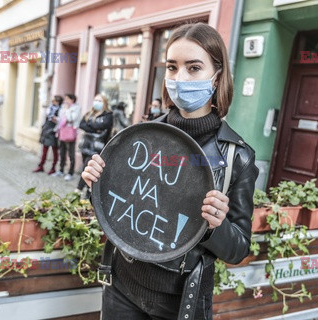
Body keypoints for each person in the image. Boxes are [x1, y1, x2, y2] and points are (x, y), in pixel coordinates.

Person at [82, 23, 259, 320]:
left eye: (193, 68)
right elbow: (118, 209)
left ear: (216, 77)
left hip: (178, 304)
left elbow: (238, 249)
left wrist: (216, 225)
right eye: (172, 67)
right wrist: (96, 184)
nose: (180, 78)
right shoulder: (141, 135)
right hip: (122, 287)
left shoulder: (237, 157)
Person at [75, 93, 113, 196]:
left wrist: (90, 125)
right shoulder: (89, 113)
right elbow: (82, 124)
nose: (97, 102)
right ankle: (88, 192)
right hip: (85, 145)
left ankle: (78, 191)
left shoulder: (108, 115)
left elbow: (104, 125)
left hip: (97, 147)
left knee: (88, 168)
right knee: (86, 166)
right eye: (96, 100)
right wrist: (95, 127)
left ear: (104, 103)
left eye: (100, 101)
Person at [51, 93, 81, 181]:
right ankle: (61, 170)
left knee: (71, 154)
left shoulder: (76, 108)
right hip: (62, 132)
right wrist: (55, 119)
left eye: (67, 99)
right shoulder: (64, 107)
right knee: (62, 152)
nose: (66, 101)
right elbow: (61, 119)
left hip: (71, 133)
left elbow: (71, 118)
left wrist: (67, 111)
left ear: (72, 100)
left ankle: (70, 173)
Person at [33, 95, 63, 175]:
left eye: (55, 101)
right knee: (44, 150)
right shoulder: (50, 108)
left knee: (54, 151)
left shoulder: (61, 110)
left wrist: (56, 120)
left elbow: (61, 121)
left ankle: (53, 168)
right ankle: (41, 166)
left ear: (58, 102)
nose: (53, 102)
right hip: (46, 131)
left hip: (53, 132)